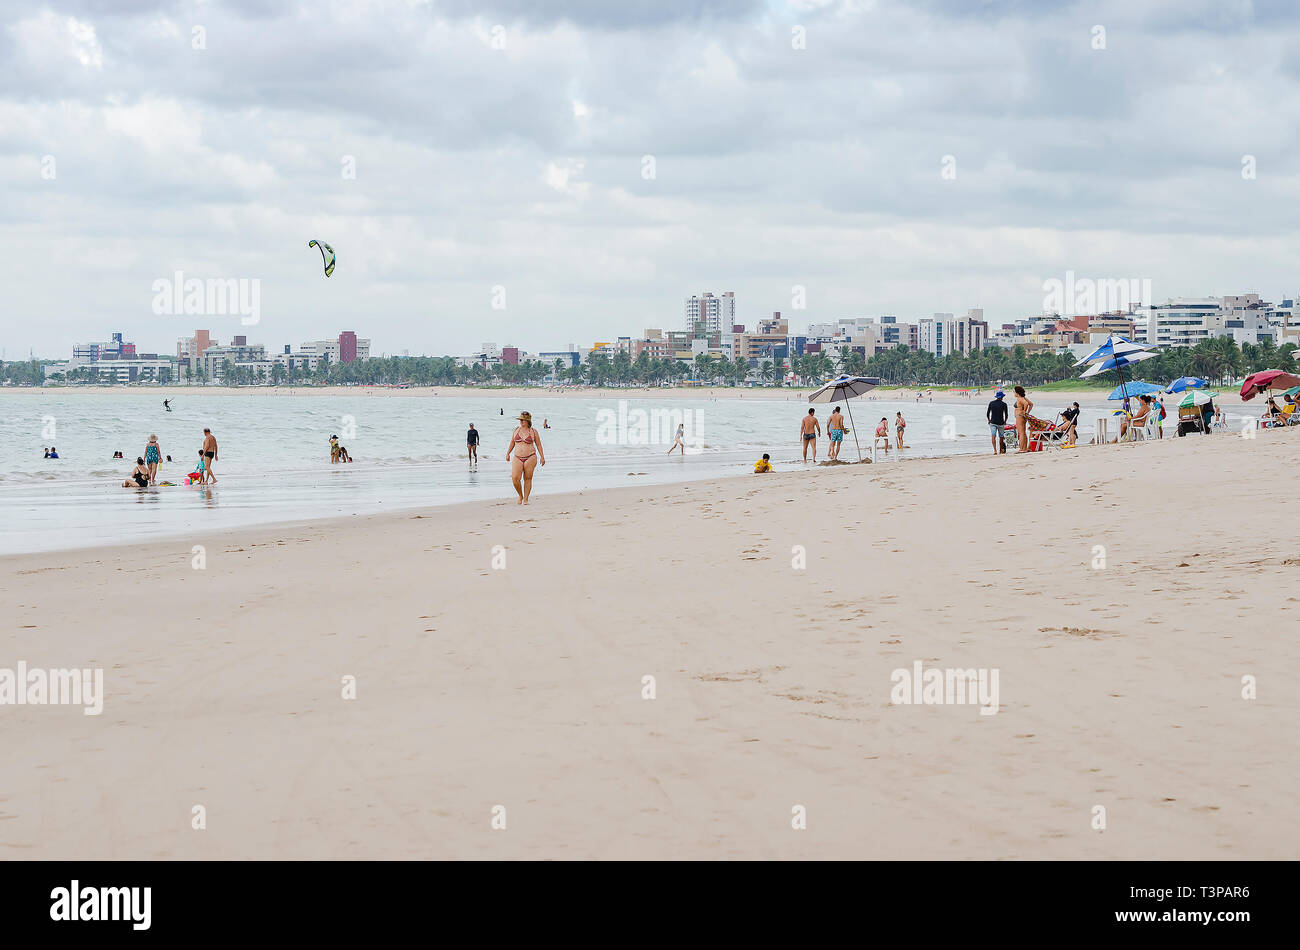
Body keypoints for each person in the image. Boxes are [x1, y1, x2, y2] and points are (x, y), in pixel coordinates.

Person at [505, 411, 545, 504]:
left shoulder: (533, 431)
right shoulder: (516, 430)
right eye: (521, 420)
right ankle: (520, 495)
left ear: (528, 421)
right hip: (517, 457)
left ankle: (526, 499)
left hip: (530, 456)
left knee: (528, 478)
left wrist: (542, 457)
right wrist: (508, 453)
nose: (521, 421)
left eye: (523, 420)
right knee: (515, 478)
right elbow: (512, 442)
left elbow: (539, 444)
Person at [1013, 386, 1033, 453]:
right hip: (1022, 416)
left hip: (1020, 416)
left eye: (1014, 392)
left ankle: (1021, 449)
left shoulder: (1020, 398)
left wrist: (1024, 412)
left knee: (1021, 433)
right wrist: (1027, 413)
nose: (1014, 393)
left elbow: (1026, 404)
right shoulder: (1023, 398)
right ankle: (1024, 448)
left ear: (1017, 393)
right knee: (1023, 433)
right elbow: (1031, 404)